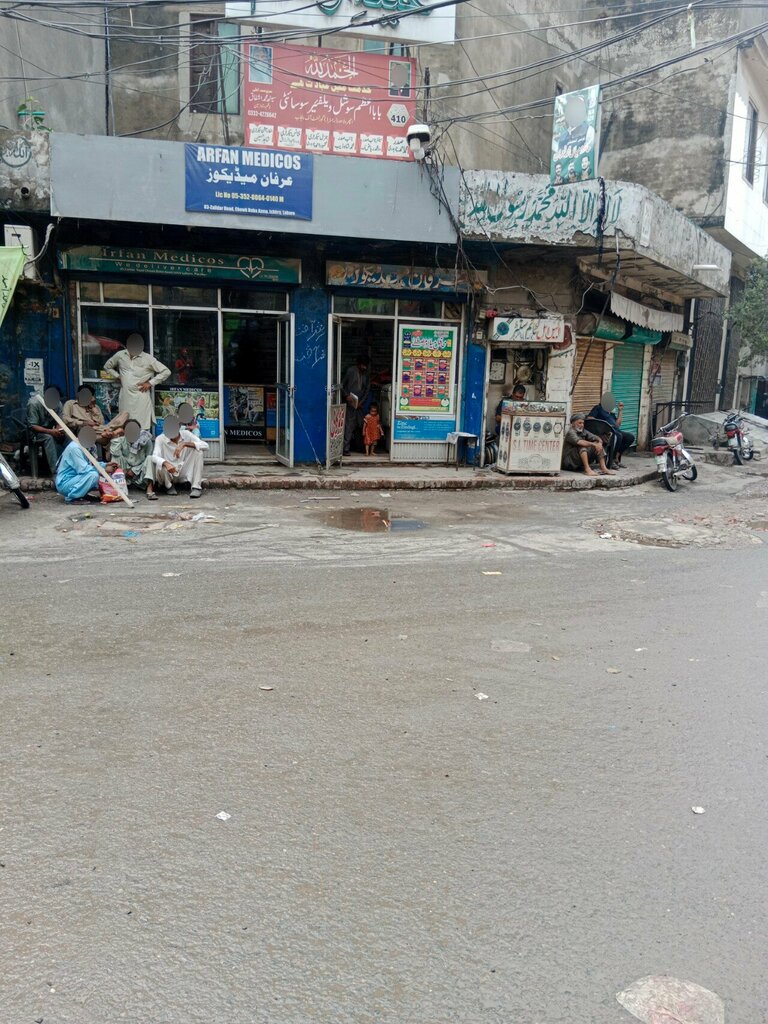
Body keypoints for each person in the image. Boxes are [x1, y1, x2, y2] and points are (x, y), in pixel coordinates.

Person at [103, 334, 171, 429]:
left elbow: (166, 371)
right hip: (125, 396)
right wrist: (118, 376)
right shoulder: (120, 355)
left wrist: (150, 383)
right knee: (124, 424)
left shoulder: (148, 358)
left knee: (141, 426)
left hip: (141, 396)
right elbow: (107, 366)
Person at [151, 414, 208, 498]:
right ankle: (169, 486)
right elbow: (154, 456)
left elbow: (206, 446)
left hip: (183, 471)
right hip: (169, 473)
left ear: (179, 426)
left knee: (198, 452)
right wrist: (166, 463)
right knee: (160, 464)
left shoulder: (186, 434)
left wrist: (185, 444)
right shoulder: (160, 439)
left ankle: (196, 487)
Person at [55, 426, 115, 503]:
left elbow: (92, 464)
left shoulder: (90, 446)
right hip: (66, 482)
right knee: (93, 475)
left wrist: (105, 465)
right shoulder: (75, 448)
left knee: (97, 474)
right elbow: (83, 469)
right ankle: (73, 498)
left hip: (77, 478)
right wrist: (103, 469)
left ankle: (82, 494)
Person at [63, 385, 129, 444]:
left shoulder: (95, 407)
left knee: (125, 413)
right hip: (86, 430)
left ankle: (109, 431)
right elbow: (65, 419)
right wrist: (83, 423)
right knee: (109, 436)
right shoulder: (70, 404)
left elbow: (101, 423)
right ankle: (110, 433)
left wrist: (93, 408)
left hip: (102, 429)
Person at [109, 418, 156, 500]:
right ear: (124, 431)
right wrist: (115, 434)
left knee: (150, 458)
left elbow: (149, 458)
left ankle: (150, 489)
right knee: (116, 457)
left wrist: (135, 470)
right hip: (125, 471)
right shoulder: (121, 440)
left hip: (140, 472)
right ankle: (118, 487)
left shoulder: (146, 441)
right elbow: (115, 452)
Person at [587, 392, 635, 468]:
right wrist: (603, 425)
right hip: (605, 432)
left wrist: (620, 411)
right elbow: (590, 418)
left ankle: (616, 457)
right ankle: (611, 460)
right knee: (618, 436)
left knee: (630, 437)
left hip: (614, 430)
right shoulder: (598, 408)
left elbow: (617, 425)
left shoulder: (611, 412)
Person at [27, 385, 65, 475]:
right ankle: (56, 472)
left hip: (50, 430)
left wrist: (58, 430)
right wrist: (51, 432)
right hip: (35, 433)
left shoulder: (58, 404)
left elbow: (59, 421)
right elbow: (33, 426)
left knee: (68, 437)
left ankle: (68, 468)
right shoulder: (34, 403)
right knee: (49, 438)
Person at [341, 357, 370, 455]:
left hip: (360, 404)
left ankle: (359, 447)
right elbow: (342, 385)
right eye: (362, 365)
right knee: (349, 425)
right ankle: (345, 448)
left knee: (361, 425)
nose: (364, 367)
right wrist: (346, 395)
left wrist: (362, 402)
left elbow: (367, 390)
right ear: (358, 364)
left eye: (365, 366)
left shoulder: (366, 374)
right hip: (350, 403)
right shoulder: (350, 371)